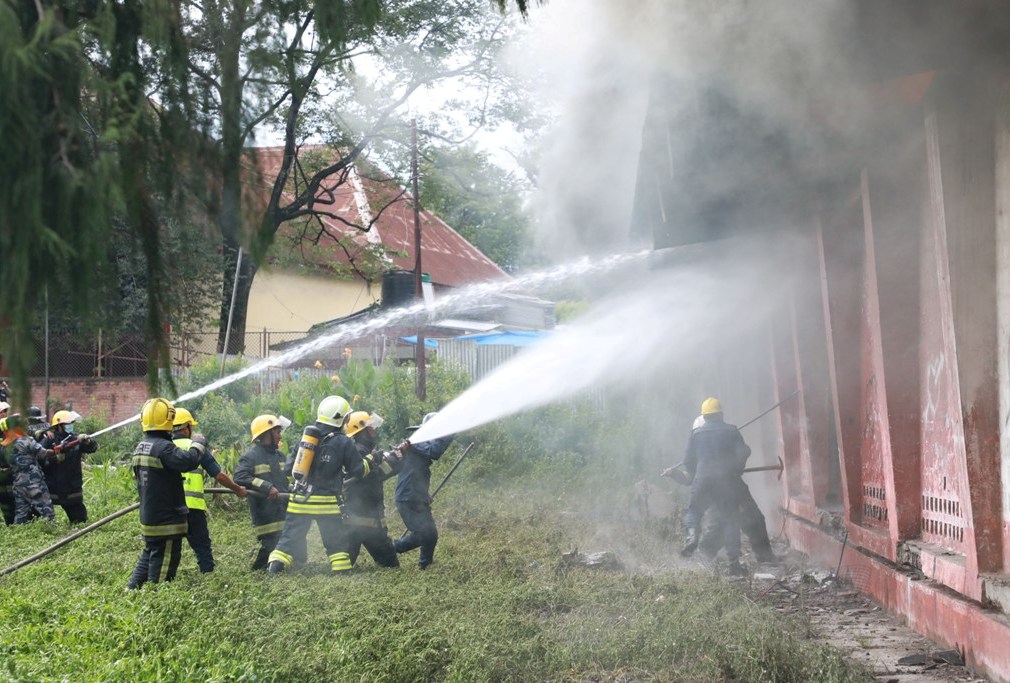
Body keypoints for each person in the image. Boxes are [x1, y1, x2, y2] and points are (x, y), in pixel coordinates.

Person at [266, 396, 370, 575]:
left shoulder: (306, 439)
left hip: (299, 502)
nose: (347, 421)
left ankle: (273, 570)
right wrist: (371, 461)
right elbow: (358, 470)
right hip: (327, 505)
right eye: (346, 417)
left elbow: (290, 469)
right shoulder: (343, 441)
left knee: (288, 540)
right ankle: (343, 575)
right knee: (336, 543)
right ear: (339, 418)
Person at [127, 397, 206, 589]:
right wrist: (198, 443)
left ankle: (132, 589)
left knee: (150, 553)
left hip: (150, 517)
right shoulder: (164, 448)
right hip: (166, 521)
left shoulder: (141, 447)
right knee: (165, 564)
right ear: (168, 420)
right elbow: (188, 461)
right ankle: (155, 595)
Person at [669, 397, 751, 577]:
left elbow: (688, 461)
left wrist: (697, 470)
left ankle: (692, 538)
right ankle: (734, 564)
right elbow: (742, 453)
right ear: (721, 414)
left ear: (704, 416)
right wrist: (737, 469)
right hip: (725, 481)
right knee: (730, 520)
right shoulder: (732, 430)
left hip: (702, 480)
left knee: (694, 511)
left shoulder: (696, 433)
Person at [684, 414, 780, 564]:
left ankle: (704, 556)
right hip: (731, 486)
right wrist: (739, 464)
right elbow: (741, 453)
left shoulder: (698, 442)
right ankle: (707, 556)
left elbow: (690, 470)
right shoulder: (725, 434)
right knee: (745, 519)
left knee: (727, 522)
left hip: (714, 487)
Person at [172, 408, 247, 573]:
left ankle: (163, 580)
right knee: (202, 548)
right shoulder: (196, 448)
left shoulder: (165, 447)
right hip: (193, 508)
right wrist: (237, 489)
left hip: (169, 508)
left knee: (169, 548)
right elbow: (219, 475)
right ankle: (208, 575)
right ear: (186, 427)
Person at [234, 414, 298, 570]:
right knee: (270, 545)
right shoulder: (251, 456)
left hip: (282, 509)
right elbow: (240, 477)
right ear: (266, 434)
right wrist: (267, 486)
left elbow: (283, 481)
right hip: (265, 512)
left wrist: (292, 488)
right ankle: (258, 571)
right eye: (277, 432)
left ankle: (279, 569)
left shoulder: (280, 456)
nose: (280, 436)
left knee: (292, 546)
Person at [393, 412, 454, 570]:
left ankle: (425, 566)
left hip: (415, 496)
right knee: (423, 534)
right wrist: (449, 433)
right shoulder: (415, 442)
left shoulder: (417, 444)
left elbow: (416, 471)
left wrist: (423, 493)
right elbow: (435, 451)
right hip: (408, 498)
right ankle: (391, 548)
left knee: (431, 534)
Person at [343, 410, 401, 568]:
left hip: (366, 516)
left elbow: (380, 473)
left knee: (345, 564)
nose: (374, 429)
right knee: (344, 564)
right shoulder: (358, 451)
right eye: (370, 427)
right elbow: (372, 476)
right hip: (362, 516)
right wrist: (393, 461)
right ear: (361, 431)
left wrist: (396, 461)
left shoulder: (366, 450)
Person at [39, 410, 98, 524]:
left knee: (80, 519)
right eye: (67, 423)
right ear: (59, 425)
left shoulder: (76, 439)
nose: (70, 426)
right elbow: (39, 458)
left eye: (71, 423)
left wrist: (88, 441)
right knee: (44, 518)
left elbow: (93, 449)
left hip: (72, 484)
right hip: (53, 485)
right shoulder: (49, 439)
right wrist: (55, 459)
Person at [4, 413, 58, 525]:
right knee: (46, 507)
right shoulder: (26, 441)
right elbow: (44, 453)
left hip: (18, 482)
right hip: (33, 481)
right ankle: (52, 528)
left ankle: (18, 531)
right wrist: (56, 451)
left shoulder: (5, 445)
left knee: (21, 512)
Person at [0, 406, 18, 524]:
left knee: (14, 499)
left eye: (6, 411)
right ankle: (10, 523)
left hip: (11, 473)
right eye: (3, 411)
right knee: (4, 500)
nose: (5, 413)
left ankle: (15, 523)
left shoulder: (8, 431)